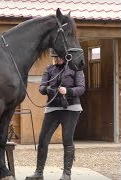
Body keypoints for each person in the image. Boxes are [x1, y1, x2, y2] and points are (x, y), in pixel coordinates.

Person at [25, 48, 85, 180]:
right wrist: (48, 89)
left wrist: (67, 91)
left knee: (67, 139)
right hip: (53, 107)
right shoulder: (49, 69)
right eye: (54, 57)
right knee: (43, 140)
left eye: (58, 57)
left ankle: (66, 174)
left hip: (71, 108)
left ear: (65, 57)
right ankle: (39, 172)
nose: (56, 59)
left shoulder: (75, 69)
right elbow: (41, 87)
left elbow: (81, 88)